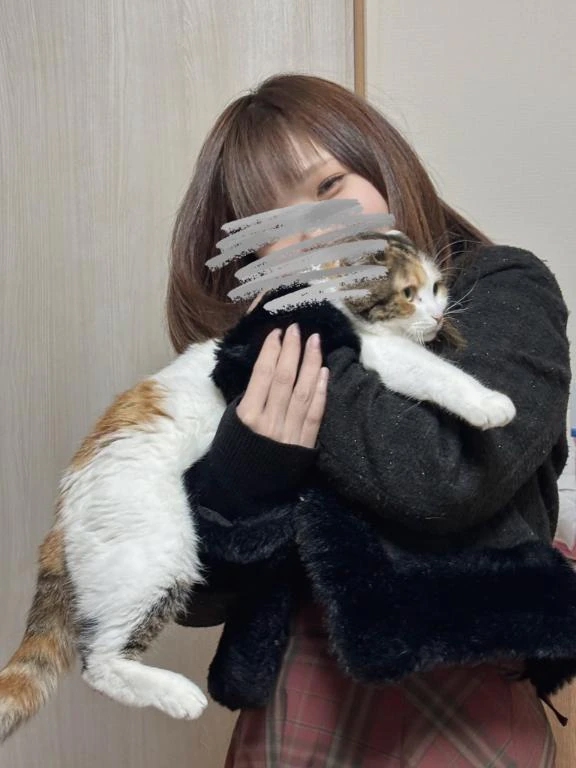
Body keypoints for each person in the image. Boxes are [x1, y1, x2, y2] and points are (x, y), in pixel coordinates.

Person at [169, 74, 572, 767]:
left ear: (380, 162)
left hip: (466, 687)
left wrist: (319, 340)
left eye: (329, 186)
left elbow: (445, 479)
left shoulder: (500, 286)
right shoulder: (262, 344)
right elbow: (192, 596)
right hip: (295, 690)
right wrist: (248, 468)